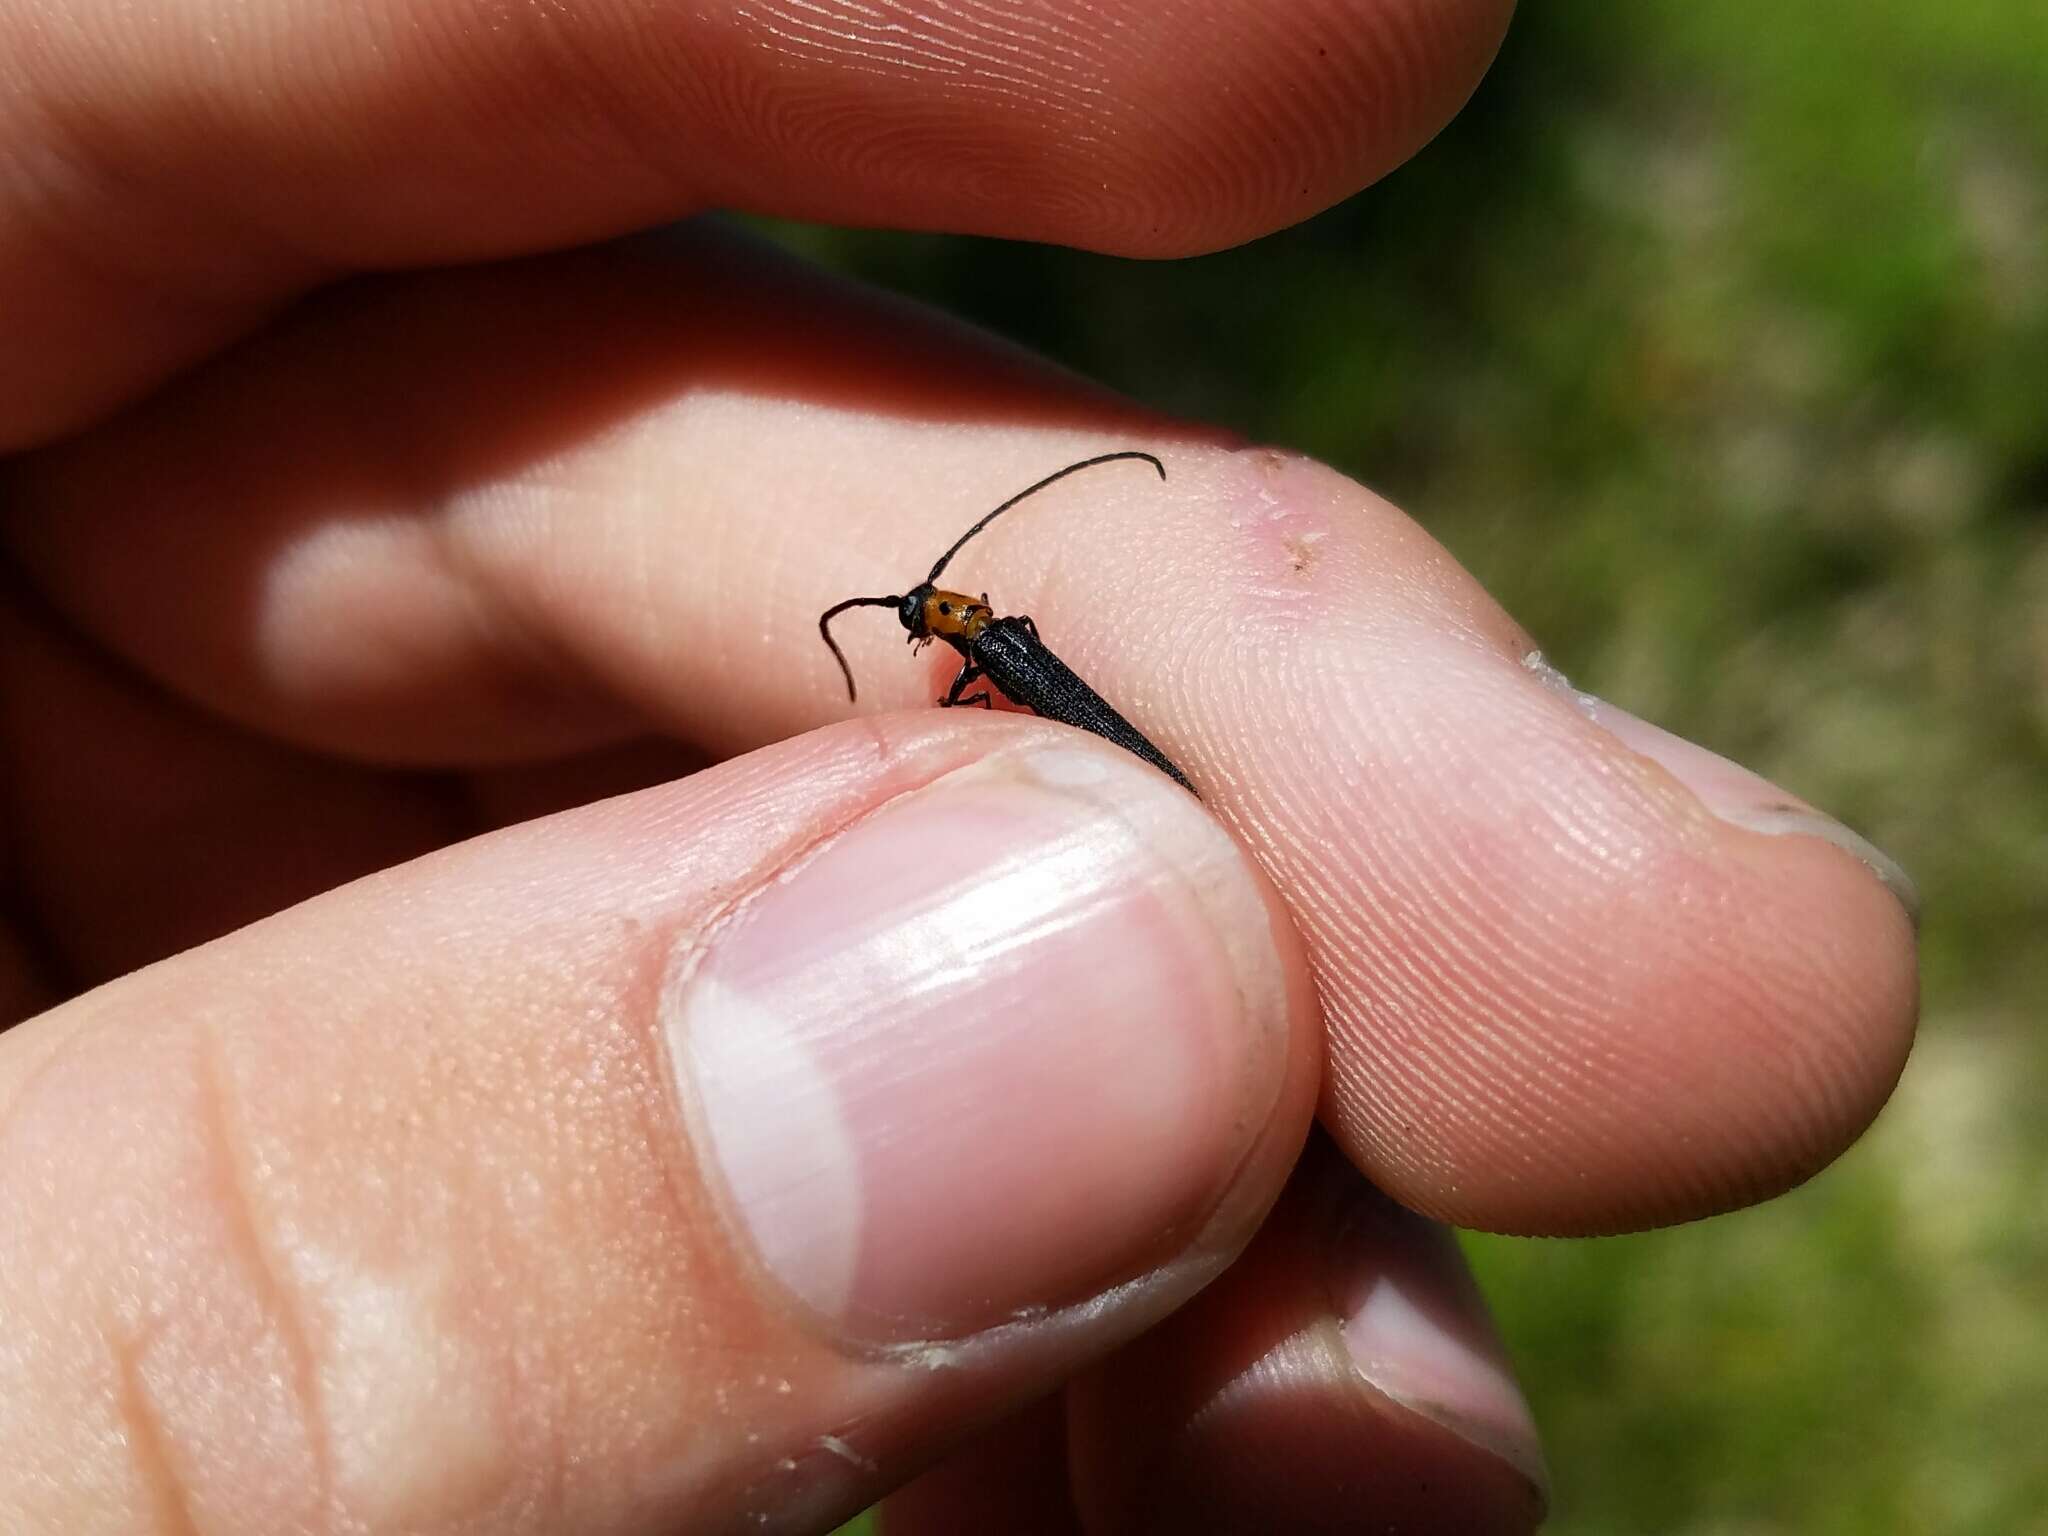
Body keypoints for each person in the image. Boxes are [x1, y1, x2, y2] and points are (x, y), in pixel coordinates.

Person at [0, 0, 1918, 1529]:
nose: (930, 636)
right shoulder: (982, 652)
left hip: (1143, 825)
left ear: (957, 630)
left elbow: (1032, 707)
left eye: (934, 628)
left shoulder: (993, 655)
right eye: (932, 629)